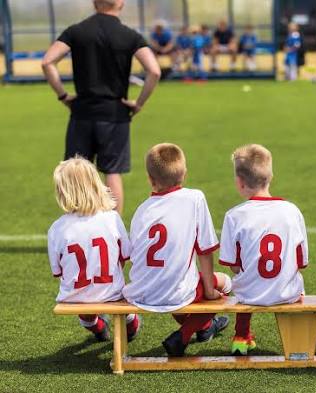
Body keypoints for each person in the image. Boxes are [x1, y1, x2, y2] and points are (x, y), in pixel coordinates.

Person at [42, 0, 161, 216]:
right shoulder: (129, 35)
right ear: (121, 4)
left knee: (76, 172)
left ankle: (76, 230)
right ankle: (112, 231)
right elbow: (154, 71)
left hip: (82, 113)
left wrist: (63, 95)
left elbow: (48, 62)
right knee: (113, 172)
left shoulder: (76, 31)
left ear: (95, 3)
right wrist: (139, 102)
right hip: (115, 114)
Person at [122, 143, 231, 357]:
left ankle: (206, 327)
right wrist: (209, 291)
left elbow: (132, 254)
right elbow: (205, 250)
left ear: (150, 179)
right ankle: (185, 333)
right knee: (224, 283)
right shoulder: (194, 198)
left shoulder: (141, 210)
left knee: (180, 282)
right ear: (184, 174)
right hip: (176, 293)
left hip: (141, 292)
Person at [219, 144, 308, 355]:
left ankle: (241, 337)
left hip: (248, 294)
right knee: (298, 284)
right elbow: (301, 262)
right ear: (271, 176)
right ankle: (297, 341)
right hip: (287, 294)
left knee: (242, 279)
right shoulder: (291, 211)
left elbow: (234, 267)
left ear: (240, 183)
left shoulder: (234, 215)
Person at [47, 157, 140, 342]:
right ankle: (131, 324)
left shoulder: (56, 228)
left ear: (63, 191)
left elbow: (58, 271)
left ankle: (97, 327)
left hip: (75, 296)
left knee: (84, 301)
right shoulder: (112, 217)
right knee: (123, 297)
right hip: (112, 292)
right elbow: (125, 256)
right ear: (96, 184)